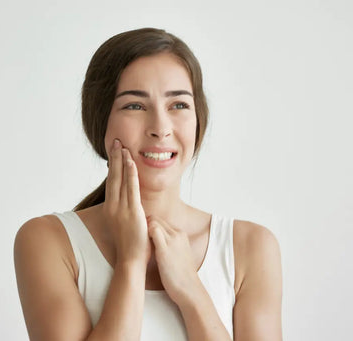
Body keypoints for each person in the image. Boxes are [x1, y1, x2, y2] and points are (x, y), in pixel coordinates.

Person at [14, 27, 282, 340]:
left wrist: (190, 288)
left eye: (178, 105)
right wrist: (130, 262)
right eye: (135, 106)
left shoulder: (250, 247)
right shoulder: (49, 241)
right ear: (100, 121)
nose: (161, 128)